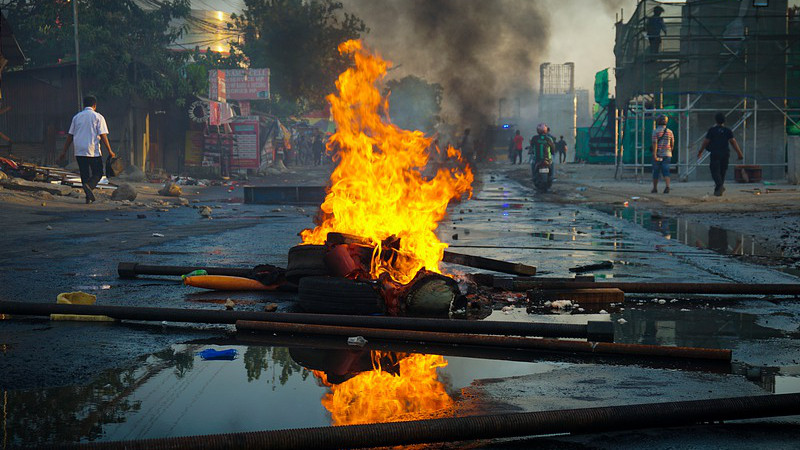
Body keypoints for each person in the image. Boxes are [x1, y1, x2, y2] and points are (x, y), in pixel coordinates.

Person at [59, 95, 115, 204]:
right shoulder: (98, 117)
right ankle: (89, 186)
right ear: (95, 105)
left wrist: (64, 151)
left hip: (79, 150)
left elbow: (70, 136)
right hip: (92, 150)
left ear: (84, 105)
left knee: (84, 173)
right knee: (98, 173)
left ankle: (87, 198)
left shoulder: (76, 117)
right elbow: (103, 135)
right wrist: (110, 151)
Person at [697, 112, 744, 196]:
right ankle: (718, 190)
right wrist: (739, 153)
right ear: (724, 121)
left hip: (715, 153)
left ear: (716, 120)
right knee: (722, 171)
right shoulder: (727, 130)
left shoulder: (712, 130)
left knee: (714, 171)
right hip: (725, 153)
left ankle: (719, 186)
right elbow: (733, 142)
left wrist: (700, 151)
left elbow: (706, 141)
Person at [651, 114, 674, 194]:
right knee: (666, 170)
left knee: (656, 171)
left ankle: (655, 188)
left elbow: (655, 143)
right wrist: (670, 151)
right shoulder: (670, 132)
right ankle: (667, 186)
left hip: (658, 154)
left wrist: (654, 154)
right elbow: (672, 143)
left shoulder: (655, 131)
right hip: (667, 154)